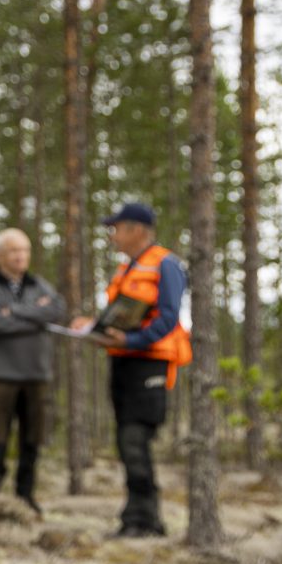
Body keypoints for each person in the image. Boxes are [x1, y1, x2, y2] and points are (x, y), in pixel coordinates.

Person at [70, 202, 191, 538]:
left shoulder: (166, 264)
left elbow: (168, 318)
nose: (113, 235)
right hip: (122, 361)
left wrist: (133, 339)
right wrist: (94, 329)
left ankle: (146, 520)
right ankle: (134, 517)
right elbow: (120, 316)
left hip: (149, 363)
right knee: (126, 442)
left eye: (117, 228)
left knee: (135, 439)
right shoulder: (126, 269)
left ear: (137, 230)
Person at [0, 228, 66, 515]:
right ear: (0, 256)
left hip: (36, 374)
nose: (20, 256)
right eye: (14, 251)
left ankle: (25, 497)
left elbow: (56, 311)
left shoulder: (40, 285)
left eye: (25, 250)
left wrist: (12, 312)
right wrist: (33, 316)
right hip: (0, 375)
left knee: (32, 438)